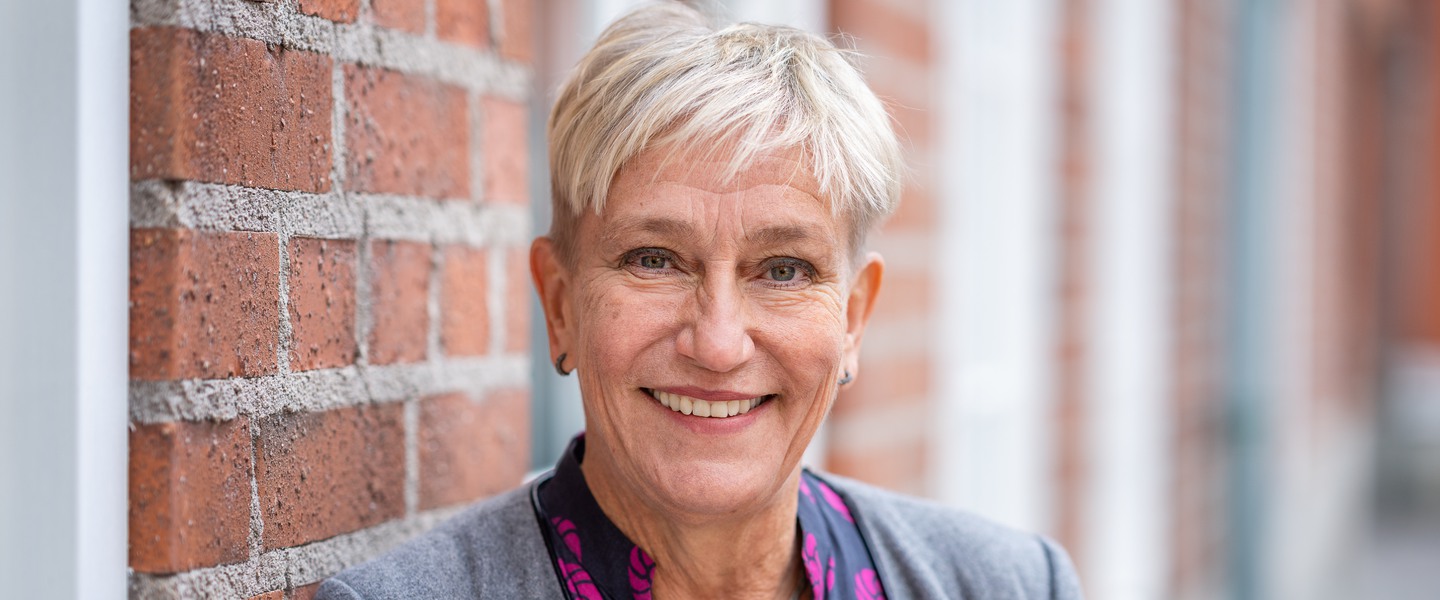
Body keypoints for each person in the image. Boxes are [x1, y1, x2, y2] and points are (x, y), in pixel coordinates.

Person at [317, 2, 1082, 598]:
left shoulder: (1009, 585)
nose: (718, 344)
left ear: (852, 319)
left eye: (784, 270)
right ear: (560, 304)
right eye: (654, 260)